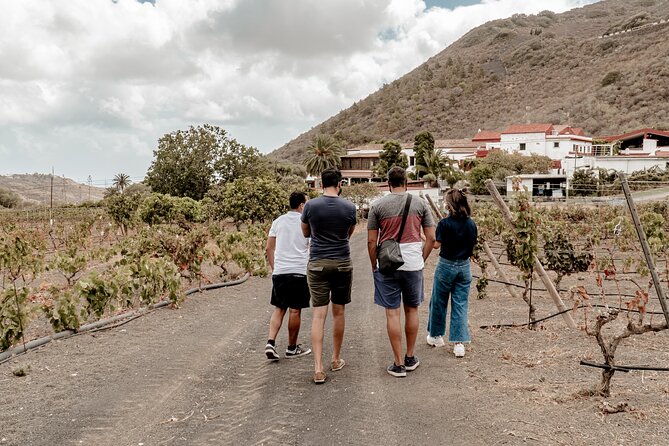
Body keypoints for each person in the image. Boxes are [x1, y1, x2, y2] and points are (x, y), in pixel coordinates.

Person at [367, 166, 436, 377]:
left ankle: (398, 364)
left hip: (388, 264)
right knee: (412, 310)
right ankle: (410, 356)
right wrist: (421, 259)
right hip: (413, 264)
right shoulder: (420, 204)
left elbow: (371, 241)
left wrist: (373, 265)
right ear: (406, 182)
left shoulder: (377, 206)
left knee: (392, 312)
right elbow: (431, 239)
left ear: (388, 184)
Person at [301, 168, 357, 384]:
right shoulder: (349, 207)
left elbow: (306, 233)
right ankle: (335, 359)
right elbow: (348, 234)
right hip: (342, 263)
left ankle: (318, 368)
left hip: (317, 264)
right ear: (340, 183)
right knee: (339, 313)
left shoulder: (310, 206)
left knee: (318, 316)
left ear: (320, 184)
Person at [426, 188, 478, 358]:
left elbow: (435, 245)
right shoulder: (471, 224)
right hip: (464, 267)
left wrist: (424, 237)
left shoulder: (444, 223)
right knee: (460, 304)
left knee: (439, 301)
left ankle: (436, 336)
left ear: (450, 204)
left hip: (446, 265)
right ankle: (459, 344)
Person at [264, 191, 312, 361]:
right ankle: (291, 348)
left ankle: (271, 342)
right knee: (295, 310)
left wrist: (274, 268)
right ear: (301, 205)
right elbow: (311, 248)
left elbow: (269, 248)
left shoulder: (278, 221)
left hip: (280, 271)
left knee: (279, 308)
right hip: (298, 271)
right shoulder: (306, 223)